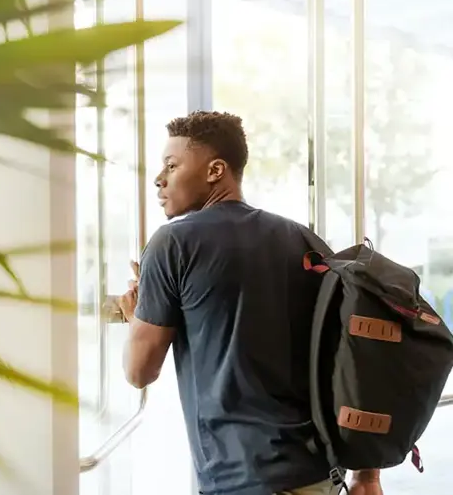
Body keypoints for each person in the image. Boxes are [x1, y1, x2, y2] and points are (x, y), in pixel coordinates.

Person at [117, 111, 383, 495]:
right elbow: (351, 355)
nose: (159, 178)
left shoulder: (172, 244)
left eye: (171, 165)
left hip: (242, 479)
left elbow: (138, 372)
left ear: (215, 170)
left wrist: (135, 318)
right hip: (318, 474)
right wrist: (367, 475)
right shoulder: (303, 240)